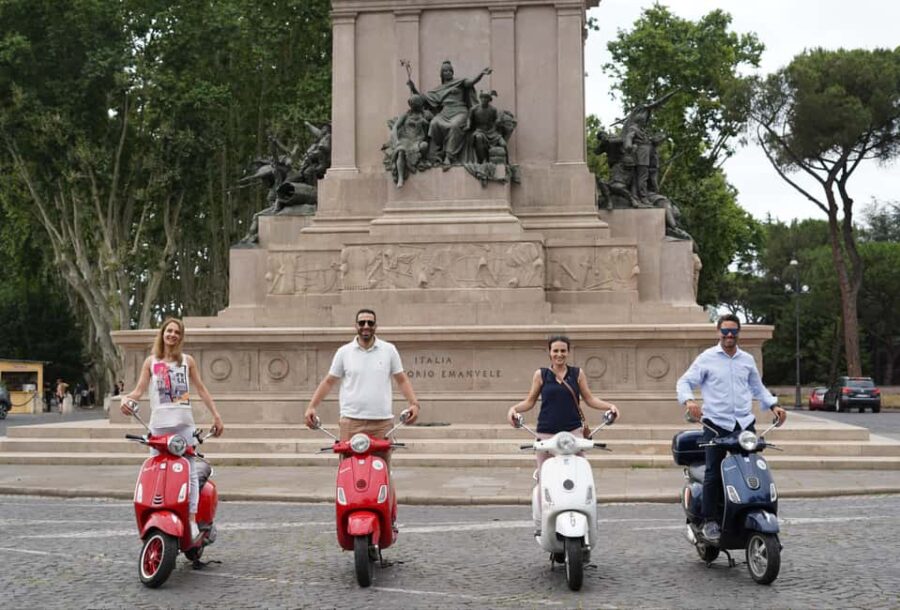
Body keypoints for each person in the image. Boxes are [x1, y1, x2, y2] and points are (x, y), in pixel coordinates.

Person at [676, 313, 787, 543]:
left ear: (738, 333)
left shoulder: (746, 360)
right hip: (716, 424)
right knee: (713, 471)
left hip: (744, 424)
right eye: (725, 331)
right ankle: (709, 521)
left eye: (733, 331)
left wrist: (774, 406)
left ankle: (747, 513)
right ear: (718, 332)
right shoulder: (707, 358)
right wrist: (690, 401)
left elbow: (758, 388)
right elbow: (684, 382)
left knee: (750, 470)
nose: (729, 335)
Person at [120, 317, 224, 542]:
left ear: (181, 337)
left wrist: (216, 415)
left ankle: (193, 519)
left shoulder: (187, 361)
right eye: (169, 331)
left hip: (184, 424)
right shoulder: (151, 361)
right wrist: (126, 400)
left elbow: (202, 389)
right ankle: (154, 513)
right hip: (158, 425)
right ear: (162, 333)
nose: (172, 335)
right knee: (156, 471)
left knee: (189, 471)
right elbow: (138, 390)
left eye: (177, 332)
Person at [506, 335, 620, 534]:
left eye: (563, 350)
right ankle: (543, 525)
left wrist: (610, 406)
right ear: (549, 352)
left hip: (573, 433)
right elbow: (530, 401)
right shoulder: (541, 375)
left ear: (568, 352)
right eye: (555, 351)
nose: (559, 354)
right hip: (546, 434)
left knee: (580, 474)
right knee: (545, 479)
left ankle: (585, 525)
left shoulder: (577, 374)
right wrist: (513, 409)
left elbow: (589, 399)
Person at [304, 308, 420, 467]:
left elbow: (401, 380)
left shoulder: (389, 350)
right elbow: (329, 381)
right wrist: (312, 407)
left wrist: (414, 403)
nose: (366, 326)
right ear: (356, 326)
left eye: (370, 322)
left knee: (382, 471)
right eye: (362, 322)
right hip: (351, 422)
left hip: (382, 423)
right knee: (348, 471)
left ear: (376, 326)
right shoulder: (344, 352)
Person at [407, 61, 491, 167]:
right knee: (434, 123)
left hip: (460, 111)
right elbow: (423, 99)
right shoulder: (439, 89)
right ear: (442, 74)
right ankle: (436, 155)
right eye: (445, 71)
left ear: (452, 72)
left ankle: (449, 157)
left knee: (454, 126)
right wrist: (413, 88)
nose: (448, 72)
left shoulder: (460, 82)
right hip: (445, 112)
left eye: (450, 70)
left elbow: (471, 82)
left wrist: (481, 74)